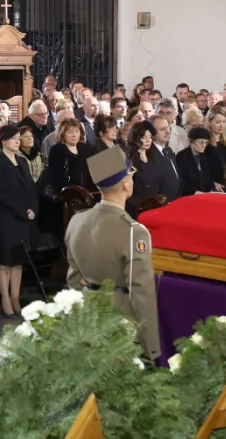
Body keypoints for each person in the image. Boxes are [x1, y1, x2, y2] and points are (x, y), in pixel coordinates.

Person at [64, 147, 160, 359]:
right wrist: (151, 345)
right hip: (122, 324)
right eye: (131, 176)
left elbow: (73, 278)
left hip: (89, 316)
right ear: (126, 184)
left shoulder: (77, 220)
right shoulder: (134, 231)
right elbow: (141, 292)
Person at [0, 124, 40, 318]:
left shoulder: (22, 161)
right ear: (3, 141)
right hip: (6, 217)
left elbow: (31, 188)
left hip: (24, 218)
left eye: (19, 138)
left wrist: (33, 209)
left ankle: (15, 297)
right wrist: (22, 211)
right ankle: (4, 298)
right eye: (13, 138)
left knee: (18, 261)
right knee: (5, 261)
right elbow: (2, 193)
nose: (18, 141)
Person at [46, 118, 95, 192]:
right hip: (66, 193)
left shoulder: (85, 148)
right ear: (63, 133)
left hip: (87, 191)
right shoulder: (57, 150)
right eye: (70, 132)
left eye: (77, 131)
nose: (74, 135)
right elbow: (56, 177)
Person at [175, 127, 215, 195]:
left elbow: (207, 176)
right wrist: (194, 191)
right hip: (188, 195)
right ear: (191, 142)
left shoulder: (205, 155)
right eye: (201, 142)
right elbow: (181, 180)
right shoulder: (182, 156)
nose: (204, 146)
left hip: (204, 193)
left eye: (206, 142)